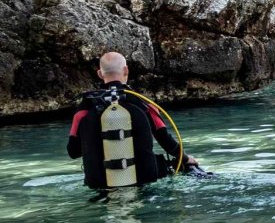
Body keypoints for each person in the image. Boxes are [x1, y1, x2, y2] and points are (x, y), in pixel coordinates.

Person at [67, 51, 200, 189]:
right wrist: (186, 159)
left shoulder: (85, 107)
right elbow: (164, 139)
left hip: (100, 184)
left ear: (100, 74)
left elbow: (73, 151)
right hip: (144, 180)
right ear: (126, 70)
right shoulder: (143, 103)